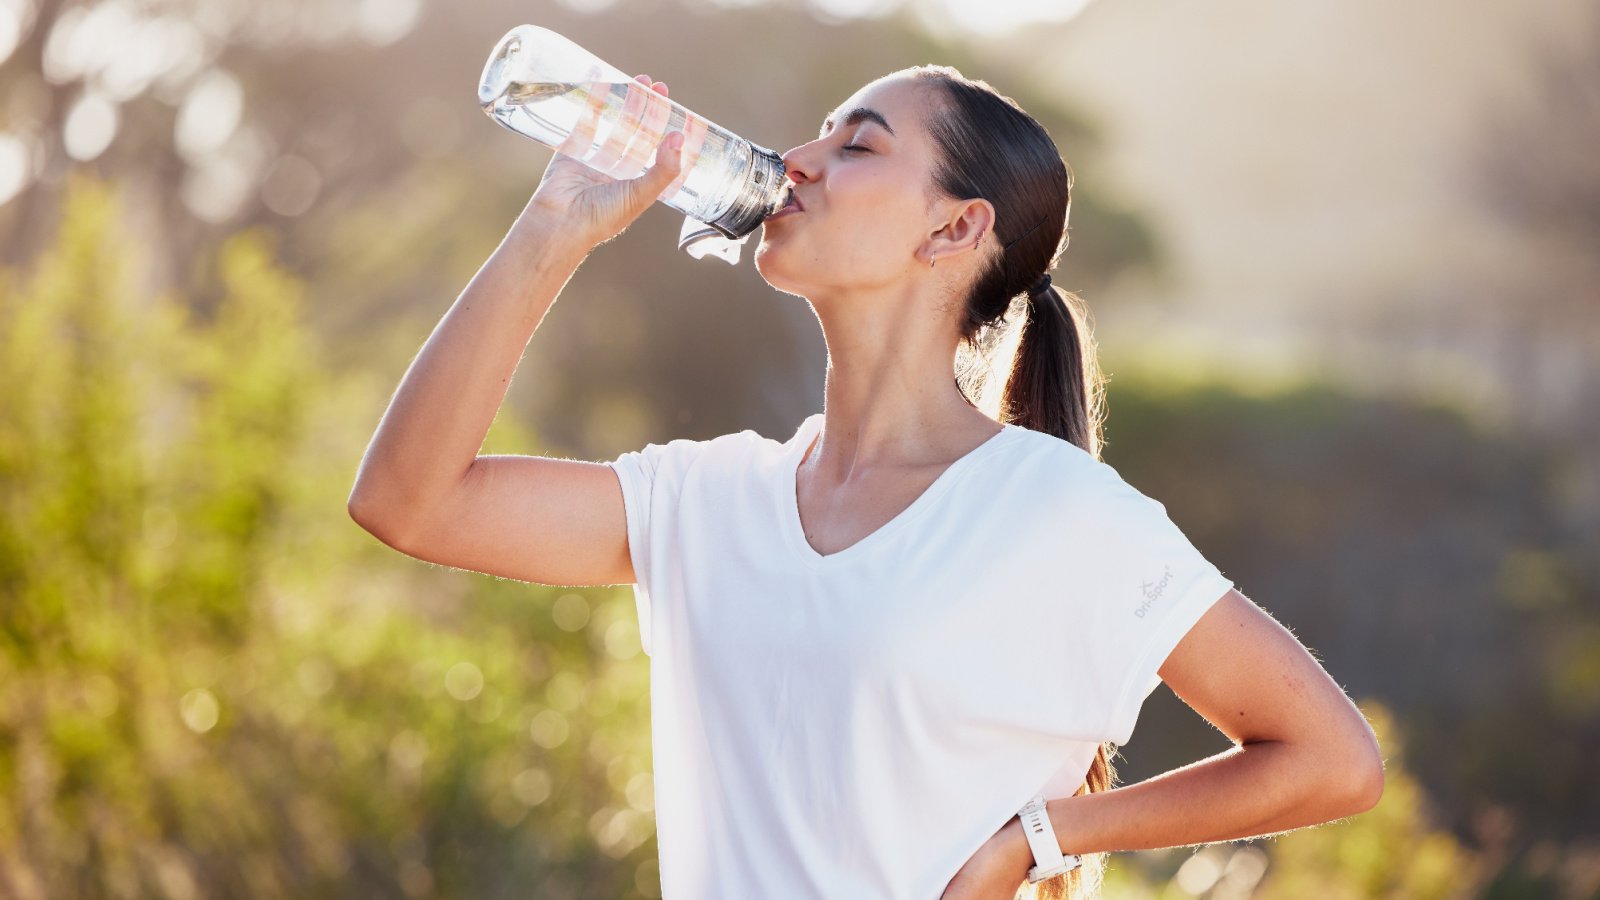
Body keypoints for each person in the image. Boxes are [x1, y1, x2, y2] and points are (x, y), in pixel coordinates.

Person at [349, 67, 1385, 900]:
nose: (797, 163)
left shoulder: (1052, 511)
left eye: (857, 145)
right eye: (817, 136)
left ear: (954, 230)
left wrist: (1040, 837)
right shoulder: (706, 499)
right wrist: (554, 225)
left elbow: (1331, 758)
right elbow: (408, 502)